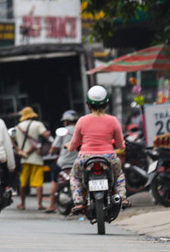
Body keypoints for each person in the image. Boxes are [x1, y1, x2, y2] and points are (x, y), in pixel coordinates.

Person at [67, 85, 126, 214]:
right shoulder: (113, 120)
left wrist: (69, 146)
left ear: (88, 105)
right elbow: (121, 145)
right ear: (106, 103)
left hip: (85, 157)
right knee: (119, 175)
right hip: (109, 157)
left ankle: (78, 202)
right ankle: (122, 197)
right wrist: (122, 145)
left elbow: (74, 144)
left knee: (75, 177)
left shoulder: (82, 120)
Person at [11, 106, 51, 210]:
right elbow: (46, 135)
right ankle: (39, 204)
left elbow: (10, 137)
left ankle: (23, 204)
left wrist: (18, 149)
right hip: (36, 158)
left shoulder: (18, 127)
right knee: (38, 182)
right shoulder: (38, 124)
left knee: (23, 182)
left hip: (24, 158)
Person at [45, 109, 80, 213]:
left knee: (55, 180)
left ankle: (51, 205)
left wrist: (52, 150)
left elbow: (54, 147)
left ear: (66, 121)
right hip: (79, 161)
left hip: (63, 163)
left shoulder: (63, 131)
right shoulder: (80, 129)